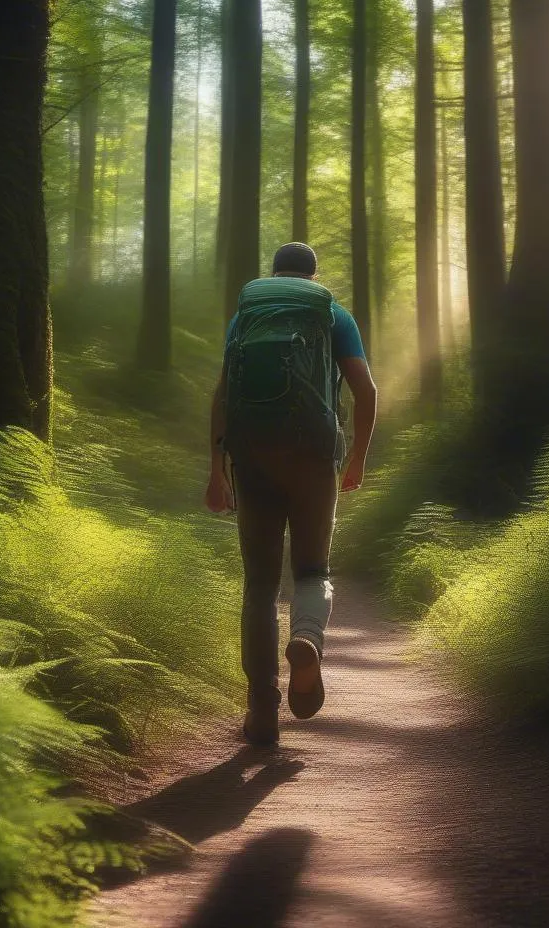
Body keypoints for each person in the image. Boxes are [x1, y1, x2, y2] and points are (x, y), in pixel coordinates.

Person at [205, 242, 378, 747]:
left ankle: (262, 709)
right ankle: (306, 639)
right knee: (312, 570)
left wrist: (216, 470)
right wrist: (359, 457)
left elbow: (222, 393)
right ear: (312, 275)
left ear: (275, 274)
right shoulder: (331, 313)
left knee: (259, 584)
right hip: (313, 454)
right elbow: (365, 390)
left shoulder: (247, 316)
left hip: (251, 454)